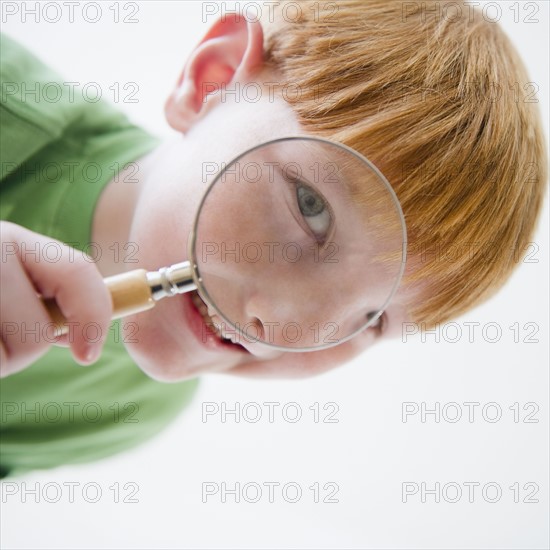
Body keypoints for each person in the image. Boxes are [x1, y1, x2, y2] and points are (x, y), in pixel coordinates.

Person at [0, 0, 546, 477]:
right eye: (312, 209)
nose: (279, 328)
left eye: (370, 319)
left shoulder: (130, 409)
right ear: (211, 81)